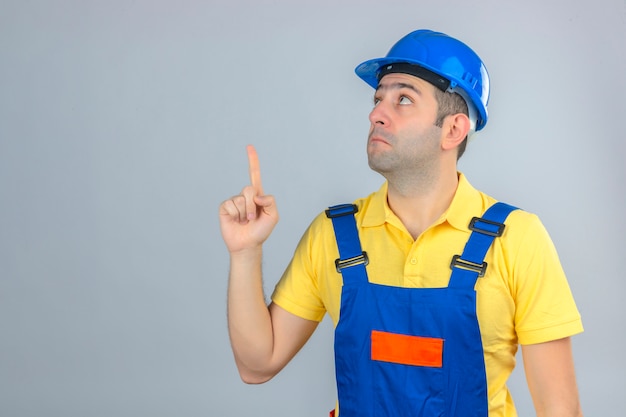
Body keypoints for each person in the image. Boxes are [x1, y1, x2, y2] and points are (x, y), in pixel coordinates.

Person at [219, 29, 584, 417]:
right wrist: (245, 252)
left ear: (453, 130)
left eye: (403, 99)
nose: (376, 112)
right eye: (378, 98)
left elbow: (560, 410)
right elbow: (256, 366)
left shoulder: (517, 240)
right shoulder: (333, 235)